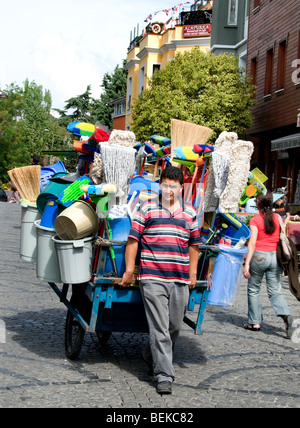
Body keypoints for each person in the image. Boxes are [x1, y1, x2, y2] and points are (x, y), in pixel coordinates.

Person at [120, 166, 201, 394]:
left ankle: (149, 355)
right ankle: (164, 374)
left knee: (173, 327)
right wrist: (129, 270)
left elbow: (194, 246)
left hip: (180, 279)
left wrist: (193, 274)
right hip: (152, 277)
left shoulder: (190, 213)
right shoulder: (147, 208)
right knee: (160, 328)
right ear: (160, 186)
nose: (169, 190)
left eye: (173, 186)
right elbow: (133, 240)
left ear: (181, 187)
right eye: (165, 185)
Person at [243, 192, 293, 337]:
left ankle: (254, 322)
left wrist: (247, 264)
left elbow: (252, 243)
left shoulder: (255, 220)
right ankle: (285, 315)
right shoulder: (278, 218)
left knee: (254, 289)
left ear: (257, 204)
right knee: (275, 291)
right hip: (274, 257)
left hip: (259, 256)